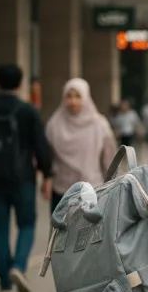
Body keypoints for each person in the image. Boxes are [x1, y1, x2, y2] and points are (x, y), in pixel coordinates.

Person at [0, 64, 53, 292]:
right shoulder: (28, 111)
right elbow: (40, 146)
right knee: (26, 224)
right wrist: (46, 174)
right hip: (22, 177)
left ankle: (4, 284)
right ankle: (18, 266)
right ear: (20, 83)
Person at [44, 79, 118, 213]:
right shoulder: (54, 124)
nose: (73, 102)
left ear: (86, 98)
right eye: (69, 96)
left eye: (78, 96)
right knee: (61, 232)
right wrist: (47, 180)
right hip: (61, 191)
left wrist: (113, 187)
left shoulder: (99, 125)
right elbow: (47, 157)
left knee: (89, 232)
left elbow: (110, 159)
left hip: (92, 190)